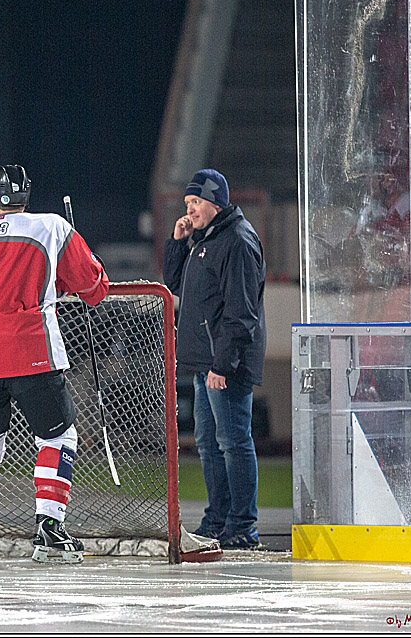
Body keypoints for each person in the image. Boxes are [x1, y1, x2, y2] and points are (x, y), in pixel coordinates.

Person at [0, 165, 109, 568]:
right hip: (34, 352)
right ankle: (50, 530)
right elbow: (94, 288)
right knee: (58, 439)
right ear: (25, 196)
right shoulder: (52, 227)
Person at [163, 169, 266, 550]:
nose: (190, 210)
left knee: (233, 441)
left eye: (196, 203)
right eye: (187, 203)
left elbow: (241, 312)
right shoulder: (205, 240)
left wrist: (223, 365)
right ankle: (218, 518)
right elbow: (174, 285)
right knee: (208, 442)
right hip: (206, 363)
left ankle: (242, 525)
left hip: (225, 366)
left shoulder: (237, 240)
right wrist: (178, 242)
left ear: (215, 202)